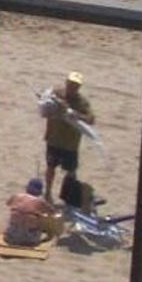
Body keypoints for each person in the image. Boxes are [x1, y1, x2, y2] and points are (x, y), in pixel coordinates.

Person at [42, 71, 95, 205]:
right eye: (71, 84)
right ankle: (47, 192)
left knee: (71, 171)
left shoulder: (82, 102)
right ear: (66, 82)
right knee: (50, 167)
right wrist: (47, 132)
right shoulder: (57, 93)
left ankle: (68, 197)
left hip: (71, 144)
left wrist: (75, 114)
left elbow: (91, 119)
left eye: (76, 85)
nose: (73, 87)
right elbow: (46, 108)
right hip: (54, 139)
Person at [5, 178, 64, 248]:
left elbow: (8, 203)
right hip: (29, 239)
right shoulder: (40, 201)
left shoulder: (17, 196)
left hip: (11, 236)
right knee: (41, 220)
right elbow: (53, 212)